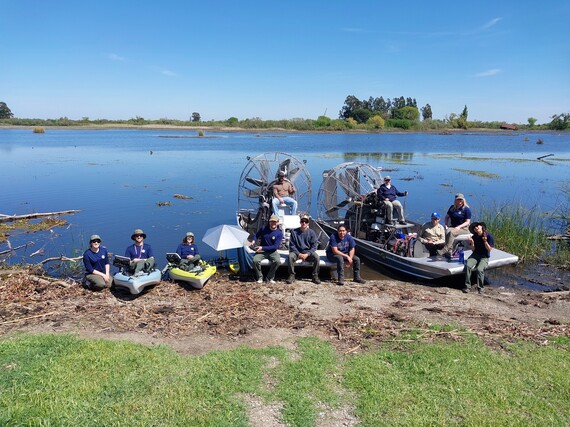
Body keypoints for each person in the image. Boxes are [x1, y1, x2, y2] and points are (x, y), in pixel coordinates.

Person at [287, 214, 321, 284]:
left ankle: (315, 276)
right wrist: (298, 254)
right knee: (290, 256)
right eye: (302, 221)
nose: (304, 223)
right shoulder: (294, 232)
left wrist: (307, 254)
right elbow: (292, 246)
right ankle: (292, 275)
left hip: (307, 252)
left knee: (317, 257)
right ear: (300, 222)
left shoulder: (311, 232)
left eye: (306, 222)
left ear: (308, 223)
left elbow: (314, 246)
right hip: (297, 252)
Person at [462, 222, 494, 294]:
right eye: (474, 227)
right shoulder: (474, 237)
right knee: (468, 266)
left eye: (477, 226)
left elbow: (489, 249)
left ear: (481, 226)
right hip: (475, 255)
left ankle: (481, 288)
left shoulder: (489, 236)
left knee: (479, 269)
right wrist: (472, 243)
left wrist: (485, 241)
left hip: (484, 256)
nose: (476, 227)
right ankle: (467, 286)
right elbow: (473, 249)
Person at [251, 214, 283, 284]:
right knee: (255, 261)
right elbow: (256, 235)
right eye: (271, 222)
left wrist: (262, 247)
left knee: (277, 261)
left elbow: (275, 246)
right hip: (262, 251)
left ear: (277, 222)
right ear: (269, 222)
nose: (273, 223)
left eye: (274, 222)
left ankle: (270, 277)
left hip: (272, 251)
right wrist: (253, 240)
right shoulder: (263, 229)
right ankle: (260, 276)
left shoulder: (279, 233)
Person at [438, 193, 472, 260]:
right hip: (453, 227)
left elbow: (467, 222)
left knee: (452, 233)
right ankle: (449, 252)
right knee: (447, 231)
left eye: (460, 200)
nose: (459, 201)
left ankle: (445, 249)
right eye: (458, 200)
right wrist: (446, 224)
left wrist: (459, 227)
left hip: (464, 228)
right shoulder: (452, 208)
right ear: (455, 200)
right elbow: (447, 217)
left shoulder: (466, 209)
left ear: (463, 200)